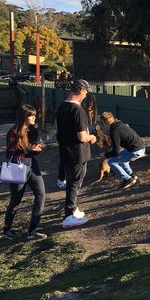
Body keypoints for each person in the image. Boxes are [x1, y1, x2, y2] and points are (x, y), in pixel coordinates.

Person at [3, 104, 47, 240]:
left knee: (41, 195)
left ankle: (32, 230)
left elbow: (32, 149)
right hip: (17, 166)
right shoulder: (14, 132)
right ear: (24, 117)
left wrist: (37, 149)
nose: (34, 118)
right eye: (31, 116)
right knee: (16, 200)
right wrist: (28, 149)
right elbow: (10, 153)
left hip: (32, 165)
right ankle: (7, 230)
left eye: (34, 115)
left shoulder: (32, 130)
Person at [56, 79, 96, 228]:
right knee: (75, 183)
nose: (86, 95)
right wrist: (92, 137)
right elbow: (82, 137)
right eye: (86, 92)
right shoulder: (78, 111)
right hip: (77, 153)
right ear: (81, 91)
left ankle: (73, 208)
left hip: (65, 151)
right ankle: (69, 215)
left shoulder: (62, 107)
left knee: (72, 181)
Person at [100, 111, 145, 189]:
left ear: (105, 123)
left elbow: (115, 151)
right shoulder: (120, 124)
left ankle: (127, 179)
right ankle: (132, 175)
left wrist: (105, 154)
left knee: (111, 161)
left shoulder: (114, 131)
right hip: (140, 148)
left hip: (135, 151)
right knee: (123, 159)